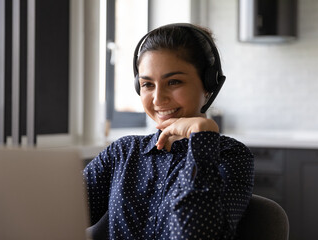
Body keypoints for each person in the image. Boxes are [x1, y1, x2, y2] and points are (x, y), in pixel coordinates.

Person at [83, 23, 254, 240]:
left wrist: (202, 138)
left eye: (173, 82)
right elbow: (60, 213)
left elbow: (195, 234)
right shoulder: (122, 153)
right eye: (147, 84)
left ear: (209, 84)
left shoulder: (231, 157)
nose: (157, 99)